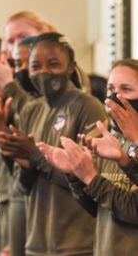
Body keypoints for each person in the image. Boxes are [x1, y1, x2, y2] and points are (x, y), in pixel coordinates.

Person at [0, 32, 107, 256]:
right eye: (36, 66)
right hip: (37, 243)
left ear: (71, 66)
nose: (44, 72)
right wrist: (20, 157)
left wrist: (34, 156)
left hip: (77, 244)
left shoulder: (87, 106)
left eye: (53, 64)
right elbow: (21, 187)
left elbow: (89, 180)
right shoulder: (31, 110)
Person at [39, 58, 138, 255]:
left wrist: (91, 177)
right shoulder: (110, 140)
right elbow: (98, 208)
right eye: (111, 89)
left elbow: (133, 211)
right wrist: (76, 175)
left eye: (126, 89)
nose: (114, 97)